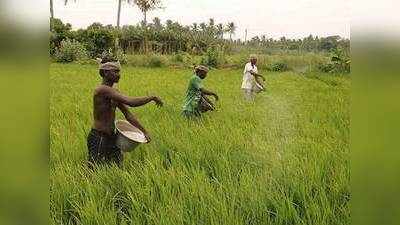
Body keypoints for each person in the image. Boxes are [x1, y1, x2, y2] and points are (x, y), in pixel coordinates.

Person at [87, 59, 163, 168]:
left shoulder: (114, 93)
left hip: (111, 137)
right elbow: (131, 102)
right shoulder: (102, 90)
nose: (119, 75)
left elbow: (128, 114)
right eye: (115, 71)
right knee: (94, 168)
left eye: (119, 72)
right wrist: (152, 97)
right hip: (99, 136)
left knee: (117, 166)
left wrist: (144, 131)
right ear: (105, 72)